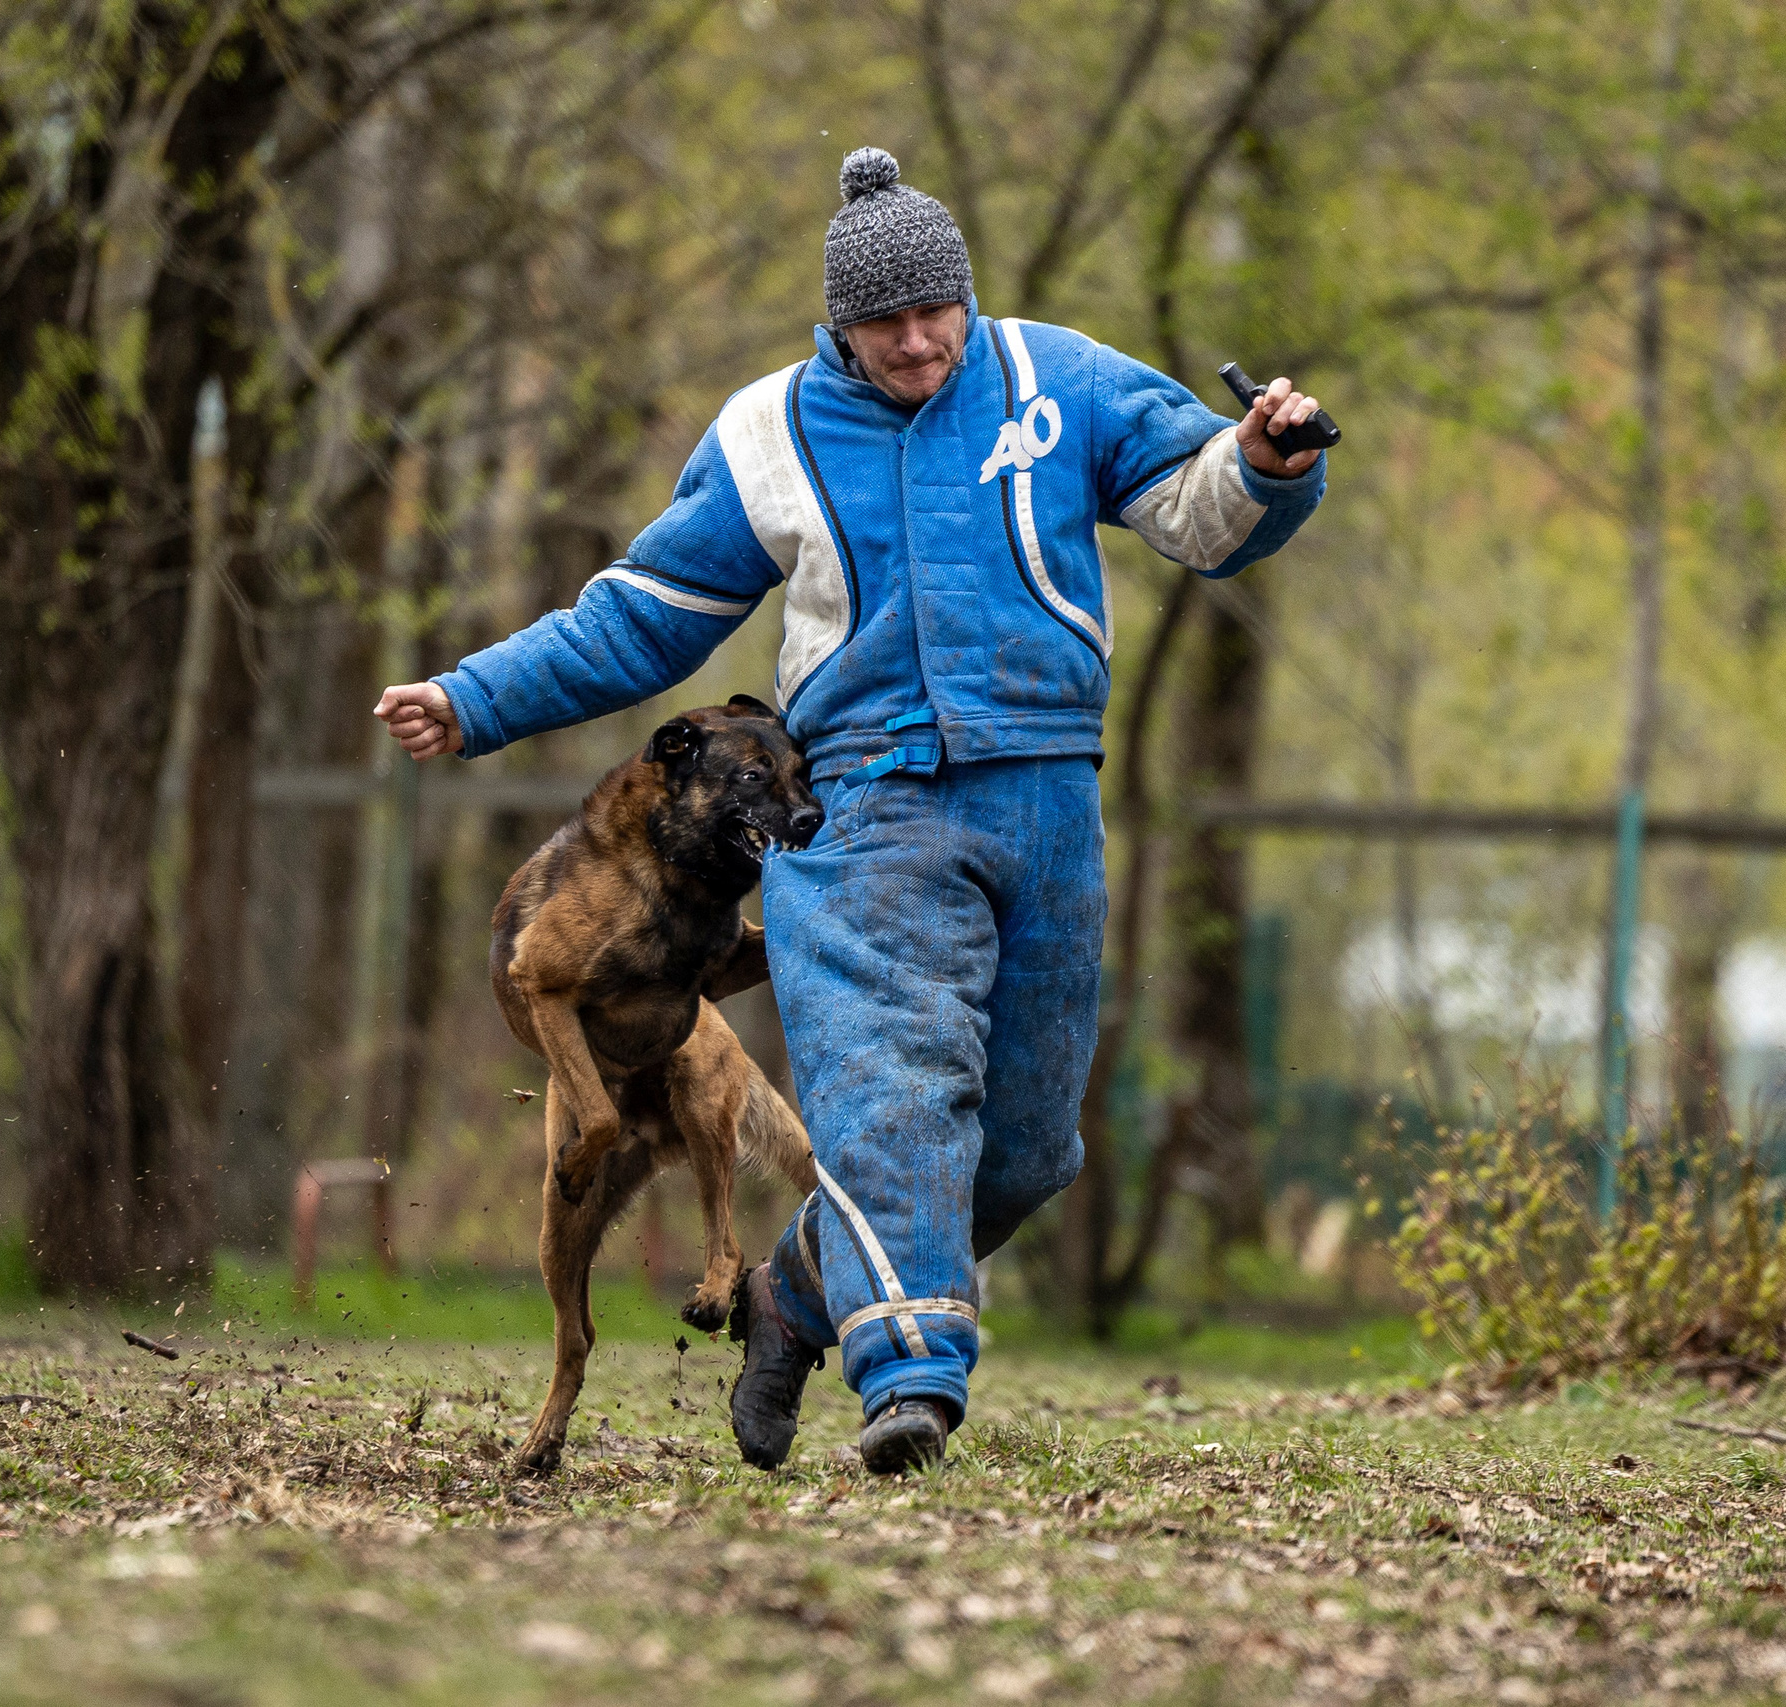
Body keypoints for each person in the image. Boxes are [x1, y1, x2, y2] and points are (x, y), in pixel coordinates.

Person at [374, 146, 1327, 1474]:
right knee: (894, 1093)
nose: (918, 340)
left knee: (1027, 1150)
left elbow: (1196, 504)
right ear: (839, 323)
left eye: (937, 311)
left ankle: (798, 1295)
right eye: (886, 322)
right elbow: (639, 616)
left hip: (1047, 790)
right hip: (861, 807)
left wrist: (1269, 461)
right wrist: (474, 698)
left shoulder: (1061, 380)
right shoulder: (766, 433)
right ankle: (912, 1380)